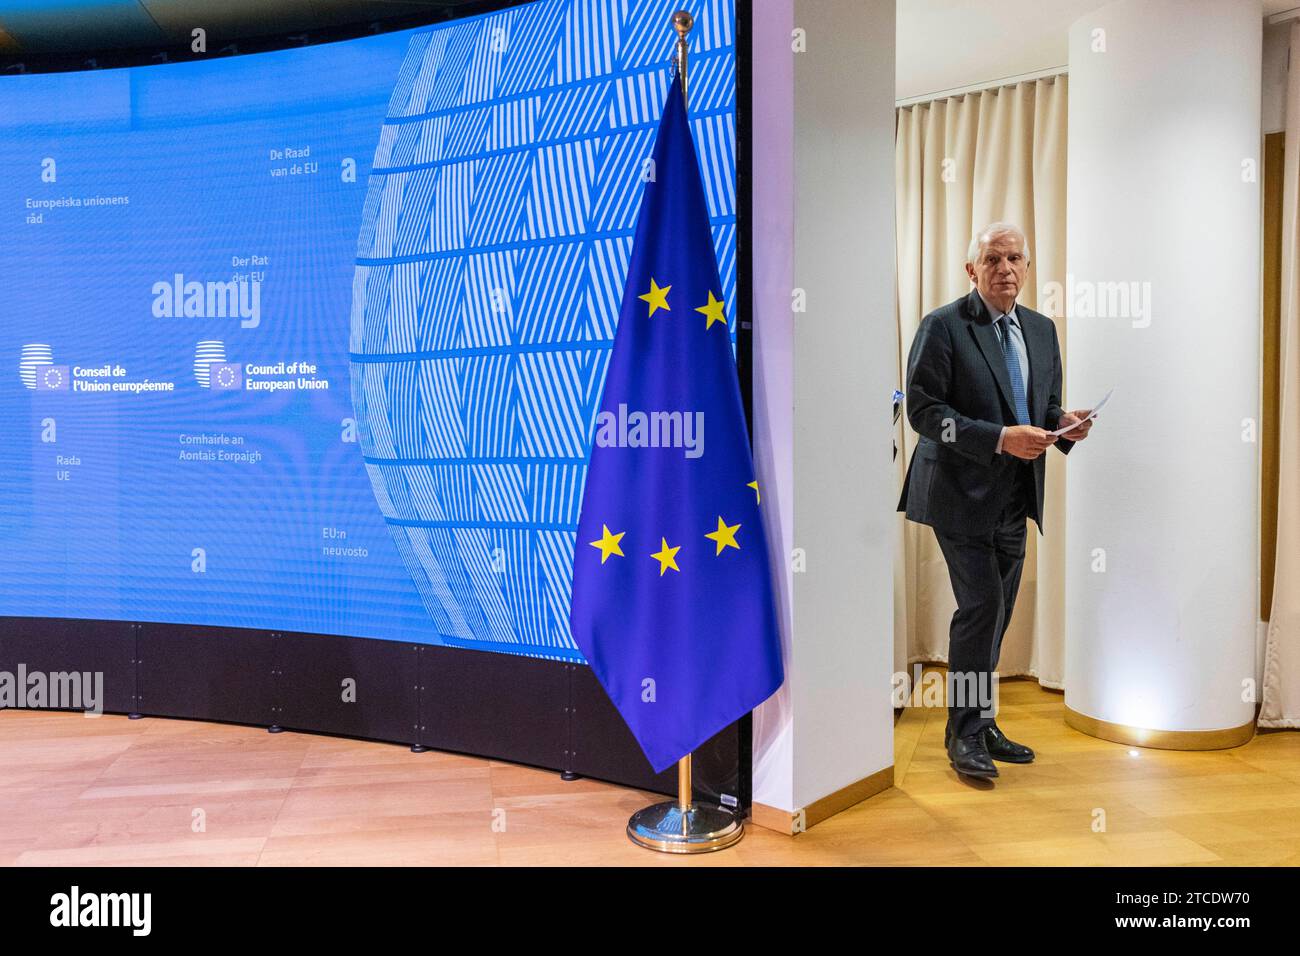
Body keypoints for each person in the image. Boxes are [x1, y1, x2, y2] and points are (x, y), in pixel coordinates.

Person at [897, 222, 1094, 780]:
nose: (1005, 268)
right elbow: (924, 413)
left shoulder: (1041, 328)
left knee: (998, 613)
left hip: (1015, 495)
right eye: (992, 259)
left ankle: (978, 721)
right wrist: (999, 438)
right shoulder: (943, 325)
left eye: (1015, 258)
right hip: (958, 494)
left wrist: (1063, 422)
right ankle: (964, 736)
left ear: (1027, 268)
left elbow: (1043, 403)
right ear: (972, 270)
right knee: (981, 608)